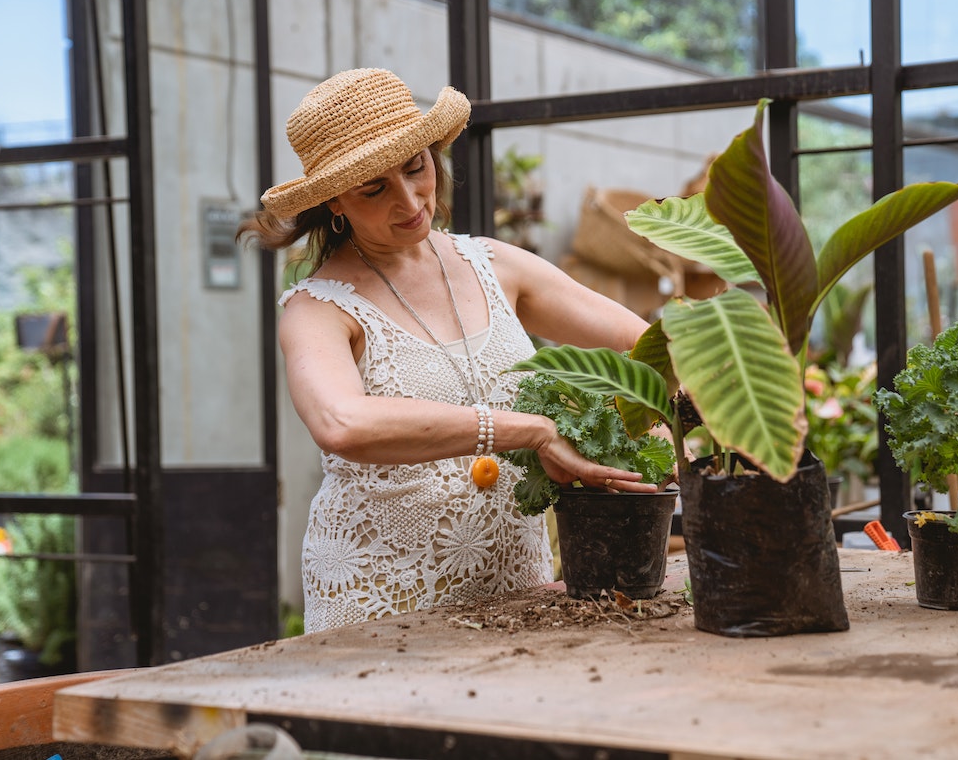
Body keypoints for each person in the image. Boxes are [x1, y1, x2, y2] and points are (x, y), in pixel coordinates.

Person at [238, 68, 658, 633]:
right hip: (380, 601)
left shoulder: (495, 265)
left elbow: (642, 345)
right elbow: (342, 423)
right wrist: (531, 431)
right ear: (334, 202)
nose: (410, 199)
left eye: (417, 167)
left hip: (516, 589)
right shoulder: (317, 309)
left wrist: (669, 425)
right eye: (373, 189)